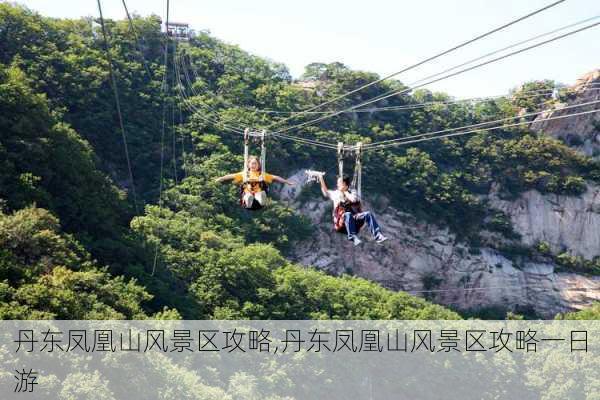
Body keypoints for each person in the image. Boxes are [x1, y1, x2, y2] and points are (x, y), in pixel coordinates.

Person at [319, 174, 387, 245]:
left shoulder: (352, 192)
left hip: (354, 222)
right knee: (347, 214)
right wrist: (321, 178)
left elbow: (353, 200)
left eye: (339, 183)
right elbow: (326, 192)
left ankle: (378, 235)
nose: (337, 184)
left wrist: (345, 192)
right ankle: (352, 236)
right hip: (341, 224)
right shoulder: (335, 194)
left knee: (368, 214)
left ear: (345, 184)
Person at [215, 156, 294, 209]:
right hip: (247, 192)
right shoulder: (245, 174)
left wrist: (286, 182)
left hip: (257, 192)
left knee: (260, 192)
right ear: (248, 165)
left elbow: (275, 177)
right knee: (248, 195)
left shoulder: (262, 174)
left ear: (258, 165)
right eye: (252, 163)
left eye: (255, 163)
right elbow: (231, 176)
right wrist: (221, 178)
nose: (253, 165)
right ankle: (248, 201)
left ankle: (261, 200)